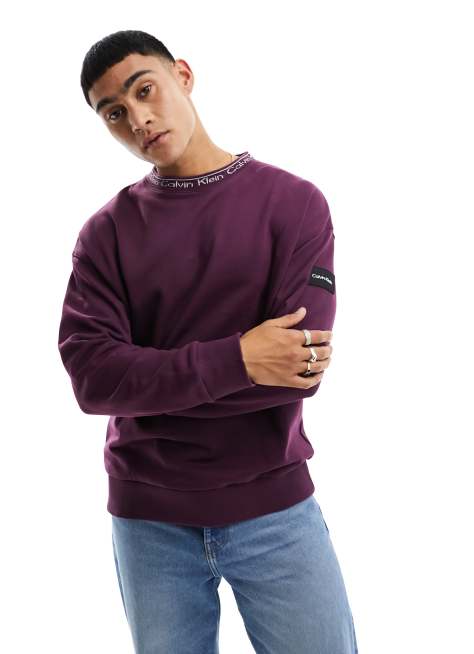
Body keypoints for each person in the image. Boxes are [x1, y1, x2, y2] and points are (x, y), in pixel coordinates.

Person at [58, 29, 358, 654]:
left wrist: (150, 384)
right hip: (148, 522)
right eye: (113, 113)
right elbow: (94, 380)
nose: (137, 119)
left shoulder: (293, 204)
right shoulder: (104, 236)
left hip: (275, 509)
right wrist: (242, 358)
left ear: (183, 76)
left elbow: (300, 369)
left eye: (145, 90)